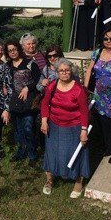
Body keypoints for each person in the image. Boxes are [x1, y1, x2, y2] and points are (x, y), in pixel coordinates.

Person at [40, 58, 89, 197]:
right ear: (57, 72)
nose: (64, 73)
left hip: (74, 126)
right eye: (61, 70)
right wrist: (44, 121)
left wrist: (84, 131)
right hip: (54, 125)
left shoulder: (78, 89)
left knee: (76, 153)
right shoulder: (52, 86)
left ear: (71, 71)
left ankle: (78, 181)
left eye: (67, 70)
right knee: (51, 152)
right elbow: (45, 104)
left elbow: (84, 111)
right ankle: (49, 180)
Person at [84, 29, 111, 164]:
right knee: (103, 123)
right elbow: (89, 70)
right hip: (99, 96)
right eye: (106, 38)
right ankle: (108, 147)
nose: (109, 41)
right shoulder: (97, 53)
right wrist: (85, 88)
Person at [4, 40, 41, 166]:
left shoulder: (30, 64)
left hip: (28, 102)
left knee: (28, 127)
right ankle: (21, 151)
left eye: (14, 49)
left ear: (19, 49)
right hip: (14, 102)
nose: (13, 52)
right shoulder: (7, 66)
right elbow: (6, 83)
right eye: (10, 50)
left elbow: (38, 80)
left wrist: (27, 88)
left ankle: (32, 154)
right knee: (18, 130)